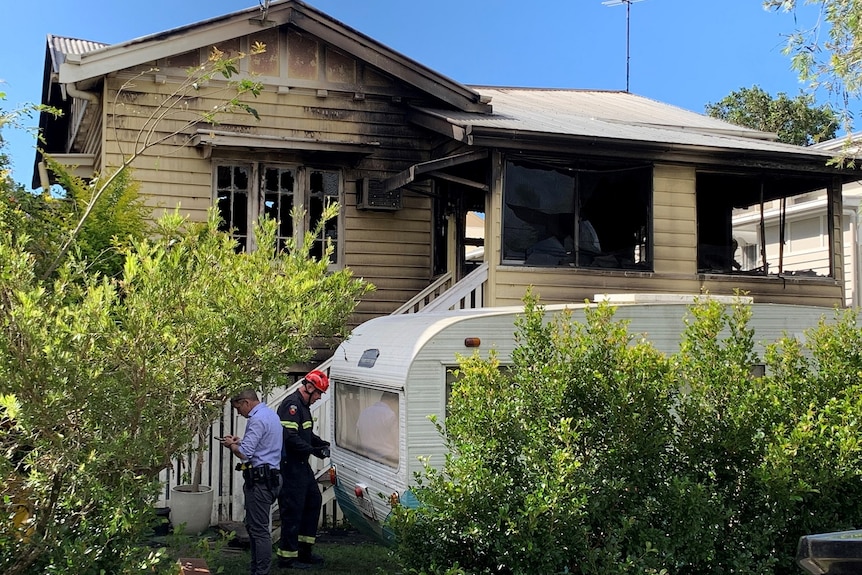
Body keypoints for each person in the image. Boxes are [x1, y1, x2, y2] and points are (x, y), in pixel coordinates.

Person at [221, 389, 283, 575]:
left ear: (246, 402)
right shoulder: (270, 414)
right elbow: (261, 445)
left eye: (238, 407)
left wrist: (231, 445)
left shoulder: (256, 419)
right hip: (271, 477)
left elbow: (245, 453)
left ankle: (260, 571)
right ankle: (257, 569)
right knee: (255, 527)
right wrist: (240, 441)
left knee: (259, 531)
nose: (238, 412)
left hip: (260, 481)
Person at [276, 370, 331, 569]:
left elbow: (307, 435)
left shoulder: (304, 406)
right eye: (318, 393)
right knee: (293, 510)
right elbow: (290, 439)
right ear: (308, 388)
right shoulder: (291, 406)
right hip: (290, 467)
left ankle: (304, 552)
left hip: (302, 466)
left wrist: (324, 444)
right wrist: (315, 451)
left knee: (313, 501)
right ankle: (287, 558)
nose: (318, 398)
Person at [356, 392, 399, 467]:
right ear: (392, 401)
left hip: (369, 460)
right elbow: (398, 441)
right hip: (389, 461)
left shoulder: (364, 413)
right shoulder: (389, 414)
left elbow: (358, 437)